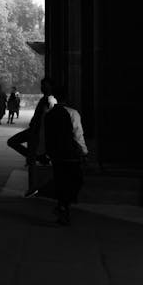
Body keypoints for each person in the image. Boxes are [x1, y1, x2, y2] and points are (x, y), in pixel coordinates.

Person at [45, 84, 88, 225]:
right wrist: (84, 151)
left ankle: (62, 208)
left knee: (61, 181)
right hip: (71, 154)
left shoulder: (50, 114)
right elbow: (77, 134)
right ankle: (64, 207)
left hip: (57, 154)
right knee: (75, 181)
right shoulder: (72, 113)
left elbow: (47, 136)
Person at [6, 76, 55, 197]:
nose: (42, 87)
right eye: (42, 85)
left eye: (45, 85)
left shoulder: (50, 100)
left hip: (37, 133)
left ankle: (32, 187)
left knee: (31, 159)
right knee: (12, 142)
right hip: (33, 131)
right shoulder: (45, 99)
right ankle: (38, 159)